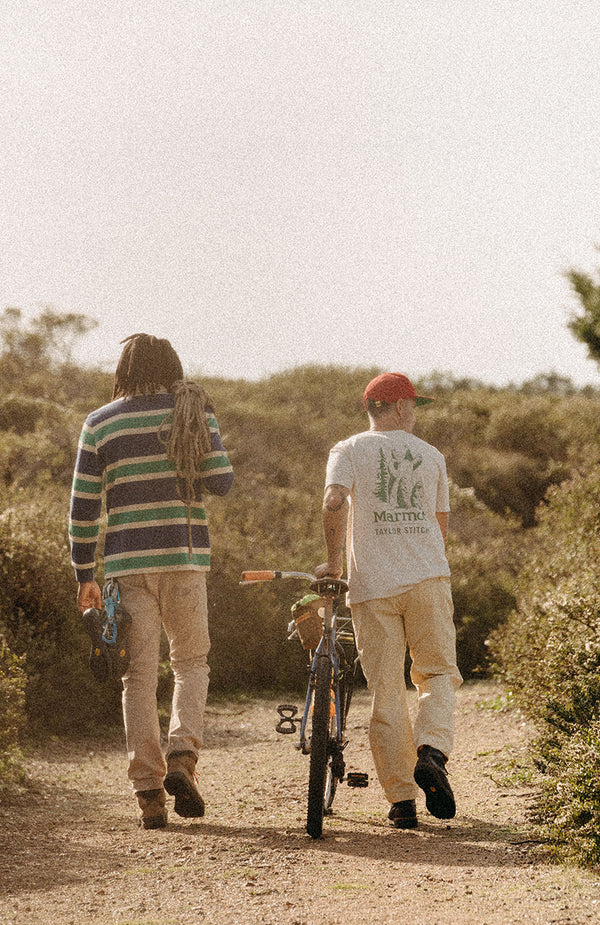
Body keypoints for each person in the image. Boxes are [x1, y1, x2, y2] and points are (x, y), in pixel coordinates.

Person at [69, 334, 234, 828]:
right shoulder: (192, 412)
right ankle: (182, 758)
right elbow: (222, 481)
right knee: (191, 664)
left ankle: (148, 793)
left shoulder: (99, 422)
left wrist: (84, 573)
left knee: (137, 677)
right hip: (183, 561)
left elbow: (83, 508)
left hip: (125, 567)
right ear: (174, 367)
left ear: (124, 369)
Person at [314, 372, 462, 829]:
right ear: (398, 407)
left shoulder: (348, 449)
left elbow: (334, 500)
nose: (415, 414)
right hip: (428, 579)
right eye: (413, 405)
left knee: (386, 690)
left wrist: (333, 564)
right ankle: (432, 750)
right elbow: (439, 526)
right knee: (436, 671)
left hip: (372, 587)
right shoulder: (432, 456)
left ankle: (401, 801)